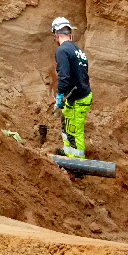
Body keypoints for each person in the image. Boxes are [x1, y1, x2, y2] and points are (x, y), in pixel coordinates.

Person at [51, 16, 92, 159]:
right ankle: (69, 154)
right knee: (66, 122)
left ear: (56, 35)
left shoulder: (62, 51)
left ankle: (77, 164)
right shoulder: (78, 51)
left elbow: (64, 77)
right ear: (70, 33)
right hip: (78, 95)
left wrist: (59, 96)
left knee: (74, 131)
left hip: (77, 98)